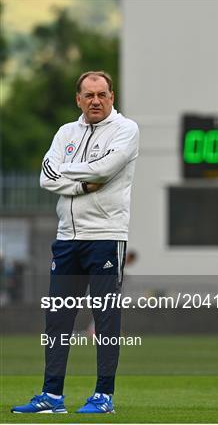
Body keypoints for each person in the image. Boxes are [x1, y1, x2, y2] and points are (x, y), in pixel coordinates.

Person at [12, 71, 139, 414]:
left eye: (102, 94)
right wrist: (82, 185)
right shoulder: (65, 132)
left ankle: (104, 396)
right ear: (78, 99)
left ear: (112, 96)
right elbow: (46, 177)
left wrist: (69, 171)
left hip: (106, 236)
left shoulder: (126, 129)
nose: (96, 100)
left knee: (106, 318)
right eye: (89, 95)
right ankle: (52, 397)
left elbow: (106, 169)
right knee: (57, 319)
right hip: (67, 237)